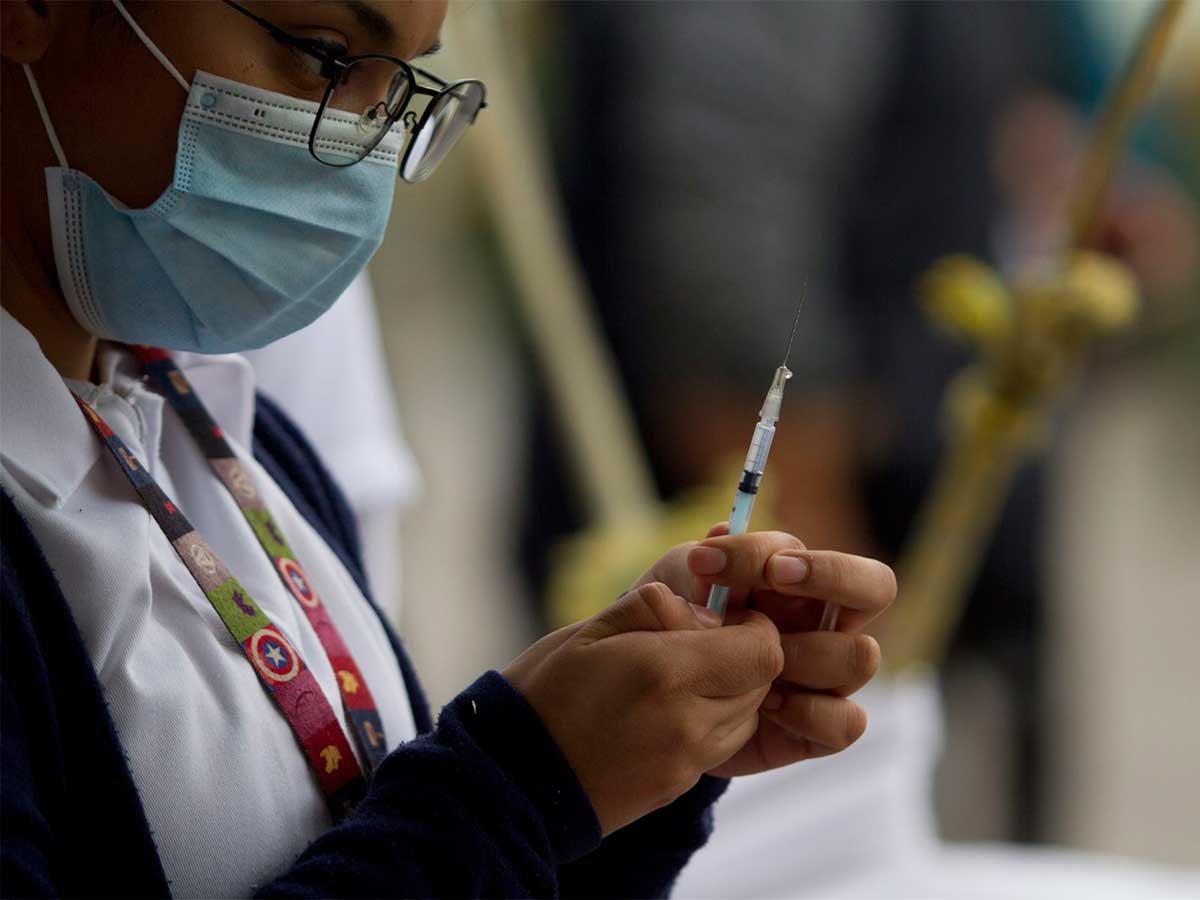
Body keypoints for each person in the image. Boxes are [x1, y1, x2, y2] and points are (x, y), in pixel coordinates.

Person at [0, 2, 896, 898]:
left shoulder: (209, 427)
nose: (360, 149)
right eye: (322, 56)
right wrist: (522, 784)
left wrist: (622, 771)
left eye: (399, 91)